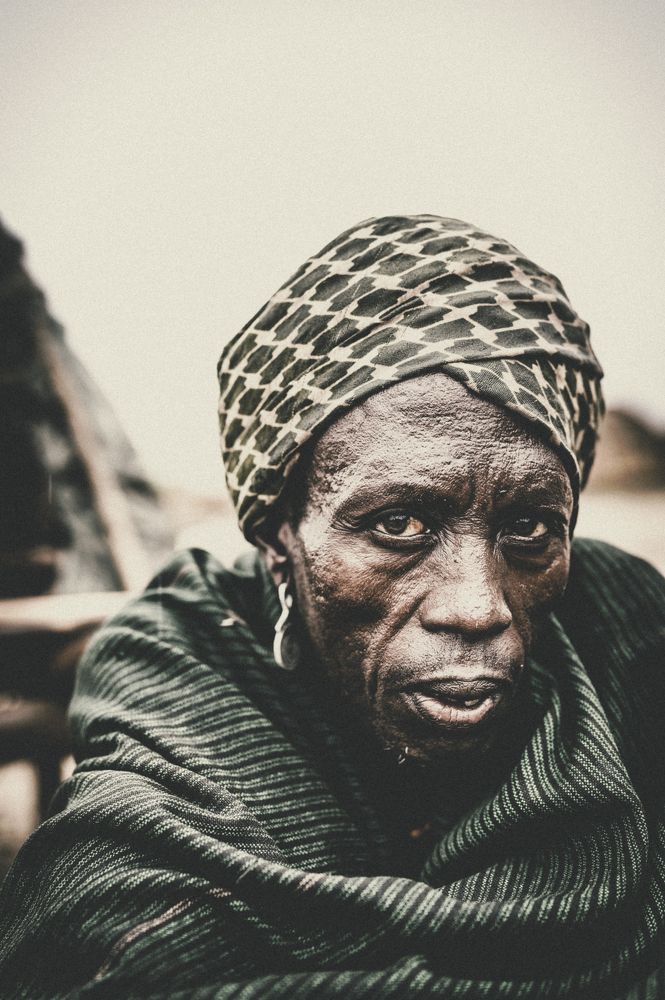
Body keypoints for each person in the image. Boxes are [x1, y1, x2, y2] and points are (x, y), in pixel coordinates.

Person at [0, 215, 663, 999]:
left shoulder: (625, 636)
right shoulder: (174, 698)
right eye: (396, 525)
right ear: (280, 537)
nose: (478, 606)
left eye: (526, 529)